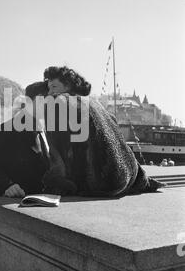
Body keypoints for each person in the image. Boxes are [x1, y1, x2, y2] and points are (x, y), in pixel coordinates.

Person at [42, 65, 165, 197]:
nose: (50, 93)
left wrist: (54, 182)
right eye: (49, 88)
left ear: (68, 86)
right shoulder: (96, 103)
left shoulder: (57, 102)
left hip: (99, 183)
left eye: (54, 87)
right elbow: (119, 141)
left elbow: (57, 152)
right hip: (126, 179)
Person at [0, 82, 50, 197]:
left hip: (41, 203)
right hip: (17, 203)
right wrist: (7, 185)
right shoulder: (8, 129)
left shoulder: (44, 130)